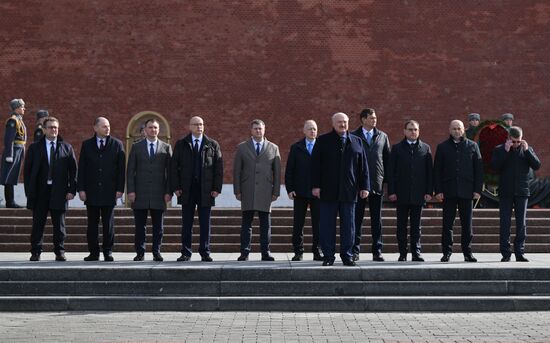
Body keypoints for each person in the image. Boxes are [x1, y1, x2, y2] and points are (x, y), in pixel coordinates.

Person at [311, 112, 369, 266]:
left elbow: (363, 167)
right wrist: (315, 186)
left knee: (349, 226)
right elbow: (315, 166)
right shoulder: (323, 141)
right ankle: (328, 256)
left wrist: (365, 186)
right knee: (327, 225)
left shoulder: (357, 141)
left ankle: (347, 255)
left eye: (345, 122)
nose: (342, 124)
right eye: (339, 122)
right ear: (333, 123)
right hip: (328, 191)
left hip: (349, 191)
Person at [24, 117, 77, 261]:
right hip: (40, 191)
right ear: (44, 129)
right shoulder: (35, 148)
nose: (54, 130)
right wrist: (29, 191)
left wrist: (72, 190)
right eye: (51, 127)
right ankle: (36, 251)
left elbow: (73, 171)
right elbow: (27, 171)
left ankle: (59, 251)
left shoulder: (66, 147)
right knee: (38, 223)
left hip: (59, 192)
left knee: (59, 225)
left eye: (56, 127)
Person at [171, 116, 223, 262]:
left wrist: (216, 188)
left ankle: (205, 251)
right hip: (187, 189)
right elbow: (174, 167)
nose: (199, 127)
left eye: (201, 124)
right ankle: (186, 252)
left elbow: (218, 169)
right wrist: (176, 187)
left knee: (205, 223)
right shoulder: (181, 144)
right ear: (190, 126)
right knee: (187, 222)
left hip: (206, 189)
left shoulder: (212, 144)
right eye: (196, 124)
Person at [434, 120, 483, 263]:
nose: (457, 131)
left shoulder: (473, 146)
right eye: (454, 128)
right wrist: (438, 190)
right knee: (447, 224)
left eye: (459, 128)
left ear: (463, 130)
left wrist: (477, 190)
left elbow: (479, 170)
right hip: (448, 191)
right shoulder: (442, 147)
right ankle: (447, 252)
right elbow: (437, 170)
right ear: (449, 130)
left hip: (467, 191)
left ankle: (468, 253)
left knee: (467, 225)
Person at [77, 117, 125, 262]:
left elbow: (121, 170)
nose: (107, 129)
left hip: (109, 191)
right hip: (91, 191)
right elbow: (82, 169)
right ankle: (93, 252)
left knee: (108, 224)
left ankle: (108, 251)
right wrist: (81, 189)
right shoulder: (87, 145)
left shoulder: (117, 144)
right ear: (95, 128)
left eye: (108, 126)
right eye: (104, 126)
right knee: (92, 224)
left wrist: (119, 189)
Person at [233, 119, 281, 261]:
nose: (258, 131)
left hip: (266, 191)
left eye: (260, 128)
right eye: (255, 129)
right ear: (251, 130)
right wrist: (237, 190)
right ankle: (245, 252)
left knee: (265, 224)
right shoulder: (242, 147)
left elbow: (277, 172)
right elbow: (237, 171)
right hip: (247, 190)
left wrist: (276, 191)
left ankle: (265, 252)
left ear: (264, 130)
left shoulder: (273, 148)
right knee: (246, 223)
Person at [491, 126, 541, 262]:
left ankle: (519, 252)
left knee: (521, 223)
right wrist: (505, 152)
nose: (516, 144)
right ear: (508, 139)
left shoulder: (527, 150)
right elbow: (495, 167)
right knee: (505, 223)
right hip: (506, 192)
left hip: (522, 192)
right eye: (513, 142)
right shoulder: (499, 150)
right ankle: (505, 253)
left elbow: (537, 165)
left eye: (518, 141)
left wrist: (527, 152)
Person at [126, 118, 172, 262]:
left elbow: (170, 173)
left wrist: (168, 191)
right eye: (150, 127)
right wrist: (131, 191)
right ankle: (140, 252)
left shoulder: (166, 147)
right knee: (140, 226)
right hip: (140, 193)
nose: (153, 130)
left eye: (156, 128)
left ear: (159, 130)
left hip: (159, 193)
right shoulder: (136, 147)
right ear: (145, 130)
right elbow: (130, 170)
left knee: (159, 227)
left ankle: (156, 252)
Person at [388, 120, 433, 262]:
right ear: (404, 131)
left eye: (415, 129)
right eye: (410, 129)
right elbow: (391, 172)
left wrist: (428, 191)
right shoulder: (397, 148)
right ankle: (402, 253)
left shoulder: (425, 148)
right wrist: (391, 191)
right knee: (401, 225)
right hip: (401, 194)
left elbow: (429, 173)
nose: (413, 132)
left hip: (419, 194)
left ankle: (416, 252)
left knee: (416, 226)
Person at [351, 108, 390, 262]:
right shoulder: (353, 136)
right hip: (358, 185)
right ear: (363, 119)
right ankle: (355, 250)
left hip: (376, 183)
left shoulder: (382, 136)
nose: (374, 120)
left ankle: (377, 250)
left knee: (377, 220)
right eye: (371, 118)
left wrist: (387, 183)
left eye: (375, 117)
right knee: (356, 219)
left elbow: (387, 161)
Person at [285, 120, 323, 261]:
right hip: (300, 192)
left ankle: (317, 251)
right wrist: (290, 189)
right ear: (304, 131)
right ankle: (298, 251)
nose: (313, 131)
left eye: (315, 129)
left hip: (318, 192)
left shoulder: (322, 146)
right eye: (310, 129)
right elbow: (290, 170)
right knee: (298, 223)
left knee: (318, 224)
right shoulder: (296, 147)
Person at [1, 99, 27, 208]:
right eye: (22, 107)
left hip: (19, 149)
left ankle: (11, 201)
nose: (24, 109)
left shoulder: (19, 119)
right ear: (16, 108)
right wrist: (9, 155)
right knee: (9, 176)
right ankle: (10, 201)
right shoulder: (13, 121)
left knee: (13, 176)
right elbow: (9, 139)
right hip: (14, 150)